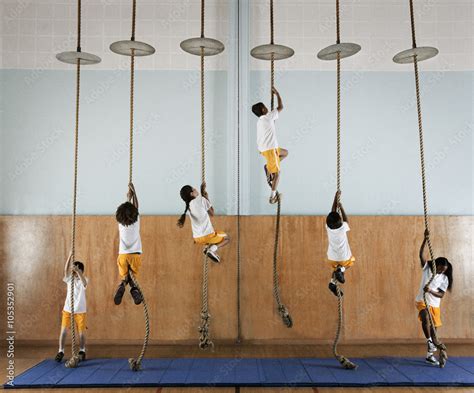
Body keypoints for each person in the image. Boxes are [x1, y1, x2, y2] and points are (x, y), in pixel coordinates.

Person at [416, 229, 453, 366]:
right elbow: (421, 254)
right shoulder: (427, 268)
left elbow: (441, 294)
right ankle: (430, 343)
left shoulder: (444, 278)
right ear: (436, 264)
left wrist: (431, 291)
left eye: (444, 270)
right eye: (440, 268)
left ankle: (429, 355)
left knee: (434, 332)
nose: (441, 271)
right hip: (422, 300)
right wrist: (425, 239)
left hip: (435, 304)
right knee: (425, 318)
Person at [252, 87, 289, 204]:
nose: (268, 108)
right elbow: (281, 107)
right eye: (266, 107)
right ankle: (272, 196)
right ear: (263, 109)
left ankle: (268, 167)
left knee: (285, 153)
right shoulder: (268, 117)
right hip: (270, 149)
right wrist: (277, 94)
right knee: (277, 174)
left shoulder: (260, 121)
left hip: (265, 148)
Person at [177, 182, 230, 263]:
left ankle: (208, 249)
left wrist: (203, 193)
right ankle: (212, 250)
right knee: (226, 238)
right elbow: (212, 213)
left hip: (197, 238)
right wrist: (206, 197)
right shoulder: (201, 200)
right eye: (194, 189)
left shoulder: (189, 206)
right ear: (192, 193)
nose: (195, 189)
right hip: (207, 236)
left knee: (213, 237)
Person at [55, 251, 88, 362]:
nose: (74, 272)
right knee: (63, 331)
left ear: (81, 271)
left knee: (81, 333)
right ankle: (61, 351)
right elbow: (65, 270)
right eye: (74, 271)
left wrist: (78, 271)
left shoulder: (84, 279)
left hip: (80, 311)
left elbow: (84, 282)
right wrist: (69, 256)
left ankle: (82, 350)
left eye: (77, 270)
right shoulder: (69, 279)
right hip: (68, 310)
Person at [114, 182, 143, 305]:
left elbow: (129, 210)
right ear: (134, 215)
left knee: (125, 276)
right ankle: (133, 289)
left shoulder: (121, 224)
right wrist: (134, 192)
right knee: (133, 278)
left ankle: (123, 285)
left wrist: (128, 198)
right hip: (135, 256)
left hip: (123, 256)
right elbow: (135, 207)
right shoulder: (135, 222)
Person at [326, 191, 355, 297]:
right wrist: (341, 207)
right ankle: (341, 270)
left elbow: (332, 211)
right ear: (341, 223)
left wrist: (335, 197)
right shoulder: (343, 228)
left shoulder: (328, 228)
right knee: (350, 263)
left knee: (336, 268)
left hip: (332, 257)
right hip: (343, 257)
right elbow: (346, 220)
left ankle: (332, 283)